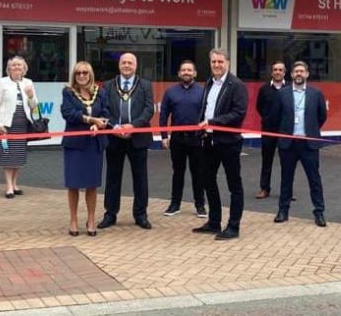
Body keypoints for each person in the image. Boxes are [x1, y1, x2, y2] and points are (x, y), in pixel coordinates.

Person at [193, 48, 248, 240]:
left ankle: (233, 226)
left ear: (228, 63)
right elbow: (206, 108)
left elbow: (238, 113)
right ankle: (214, 221)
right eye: (213, 62)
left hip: (229, 143)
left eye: (220, 62)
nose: (216, 65)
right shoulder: (209, 82)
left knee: (234, 185)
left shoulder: (237, 85)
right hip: (208, 141)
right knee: (207, 180)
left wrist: (213, 122)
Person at [98, 52, 154, 230]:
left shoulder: (145, 85)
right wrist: (115, 127)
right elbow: (104, 110)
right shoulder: (108, 85)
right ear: (119, 65)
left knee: (140, 178)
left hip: (138, 137)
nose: (127, 65)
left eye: (130, 63)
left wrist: (132, 126)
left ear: (135, 66)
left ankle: (140, 215)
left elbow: (148, 109)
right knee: (113, 177)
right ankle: (110, 214)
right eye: (124, 62)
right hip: (114, 138)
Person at [272, 61, 328, 227]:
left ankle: (319, 212)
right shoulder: (282, 94)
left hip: (308, 143)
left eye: (302, 71)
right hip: (288, 144)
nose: (299, 74)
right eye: (296, 71)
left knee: (314, 179)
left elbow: (322, 116)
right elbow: (276, 116)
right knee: (286, 179)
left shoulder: (316, 93)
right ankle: (283, 211)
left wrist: (311, 130)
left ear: (307, 74)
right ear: (291, 74)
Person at [61, 62, 110, 236]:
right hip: (75, 144)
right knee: (73, 184)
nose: (81, 76)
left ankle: (91, 219)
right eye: (78, 73)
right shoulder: (68, 92)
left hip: (94, 144)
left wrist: (100, 125)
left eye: (85, 73)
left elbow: (106, 112)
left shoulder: (101, 92)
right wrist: (91, 120)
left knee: (92, 184)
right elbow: (68, 113)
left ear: (90, 74)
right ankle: (73, 220)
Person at [159, 60, 206, 218]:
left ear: (195, 73)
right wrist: (164, 136)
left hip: (197, 140)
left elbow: (207, 114)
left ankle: (200, 205)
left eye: (189, 70)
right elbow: (164, 115)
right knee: (177, 173)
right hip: (177, 139)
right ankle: (174, 204)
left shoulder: (202, 91)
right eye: (183, 70)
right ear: (179, 73)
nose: (186, 72)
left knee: (198, 173)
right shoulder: (171, 92)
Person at [0, 56, 39, 198]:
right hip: (6, 125)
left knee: (18, 155)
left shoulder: (28, 82)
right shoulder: (2, 82)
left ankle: (15, 183)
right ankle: (9, 187)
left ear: (24, 68)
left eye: (20, 65)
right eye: (14, 65)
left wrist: (31, 96)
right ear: (9, 68)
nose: (17, 67)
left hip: (22, 124)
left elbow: (34, 106)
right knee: (7, 154)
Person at [255, 60, 287, 199]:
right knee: (266, 161)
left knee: (287, 162)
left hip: (285, 131)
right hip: (268, 130)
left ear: (284, 73)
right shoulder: (264, 89)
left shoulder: (290, 88)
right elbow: (259, 107)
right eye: (275, 70)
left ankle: (286, 191)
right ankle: (264, 188)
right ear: (272, 72)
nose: (278, 72)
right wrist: (268, 119)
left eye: (280, 70)